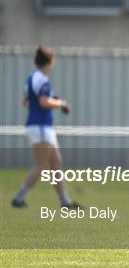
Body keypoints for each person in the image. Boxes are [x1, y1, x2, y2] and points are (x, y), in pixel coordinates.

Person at [11, 46, 81, 209]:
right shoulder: (41, 78)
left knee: (56, 163)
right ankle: (18, 198)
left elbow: (25, 101)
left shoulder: (31, 77)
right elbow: (43, 102)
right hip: (40, 126)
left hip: (42, 127)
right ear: (48, 62)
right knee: (42, 166)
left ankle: (65, 202)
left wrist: (49, 99)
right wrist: (61, 103)